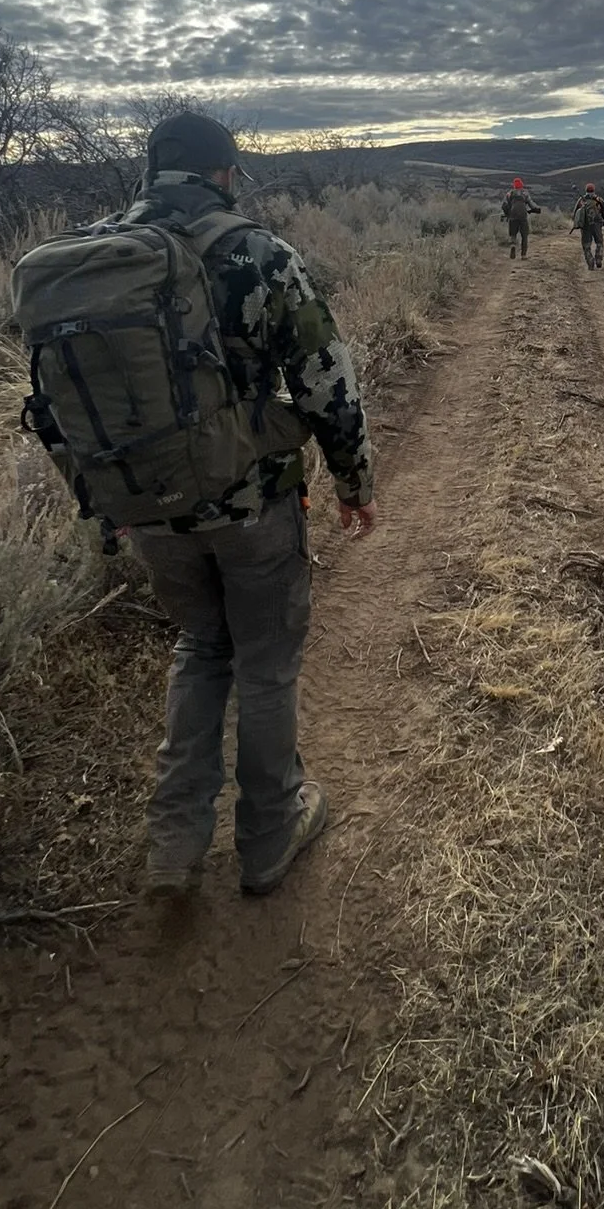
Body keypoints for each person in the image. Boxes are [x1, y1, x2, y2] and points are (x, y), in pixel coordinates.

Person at [123, 114, 376, 898]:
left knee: (201, 650)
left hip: (148, 510)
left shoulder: (94, 257)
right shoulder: (257, 254)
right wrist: (352, 481)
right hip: (250, 505)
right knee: (265, 665)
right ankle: (269, 836)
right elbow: (325, 384)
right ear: (225, 174)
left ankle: (174, 842)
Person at [570, 183, 604, 269]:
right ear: (594, 190)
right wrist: (602, 221)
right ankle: (598, 259)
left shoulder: (581, 200)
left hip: (585, 226)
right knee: (599, 243)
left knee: (586, 245)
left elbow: (574, 214)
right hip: (597, 225)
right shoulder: (599, 199)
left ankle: (590, 262)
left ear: (586, 190)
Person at [501, 176, 540, 258]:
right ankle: (523, 255)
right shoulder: (525, 193)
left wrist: (507, 214)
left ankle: (513, 246)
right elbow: (531, 204)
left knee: (513, 234)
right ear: (521, 185)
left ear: (514, 185)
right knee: (524, 235)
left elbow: (504, 205)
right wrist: (536, 209)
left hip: (513, 215)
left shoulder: (509, 194)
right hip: (523, 215)